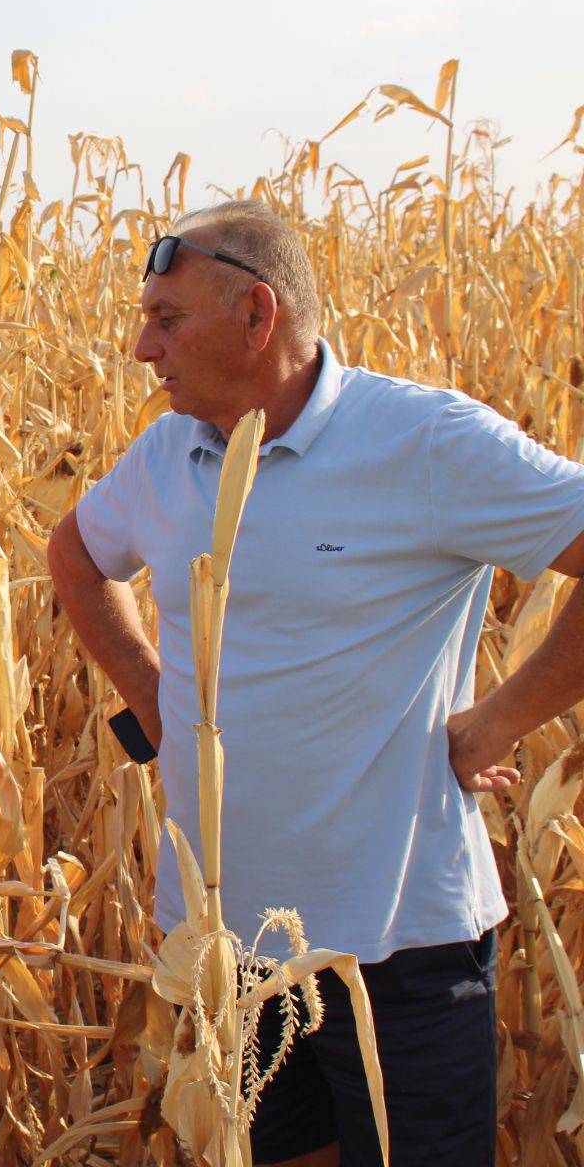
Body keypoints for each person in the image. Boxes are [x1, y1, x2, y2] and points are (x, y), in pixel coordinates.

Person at [48, 199, 584, 1166]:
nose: (140, 347)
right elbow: (75, 554)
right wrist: (153, 696)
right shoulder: (170, 453)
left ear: (258, 315)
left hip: (398, 945)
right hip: (228, 941)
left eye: (167, 319)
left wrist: (498, 722)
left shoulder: (424, 444)